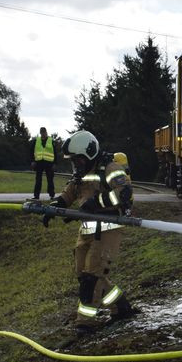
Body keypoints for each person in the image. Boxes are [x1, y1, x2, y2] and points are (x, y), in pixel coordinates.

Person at [43, 131, 135, 335]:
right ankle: (120, 306)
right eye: (74, 161)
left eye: (78, 159)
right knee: (82, 274)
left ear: (90, 152)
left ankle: (85, 322)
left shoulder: (111, 169)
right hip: (86, 229)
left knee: (91, 278)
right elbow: (71, 192)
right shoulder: (81, 173)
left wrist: (97, 203)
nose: (76, 164)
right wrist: (56, 206)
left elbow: (125, 193)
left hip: (107, 229)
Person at [31, 127, 57, 200]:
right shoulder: (36, 141)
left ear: (46, 132)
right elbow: (31, 151)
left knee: (50, 180)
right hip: (39, 163)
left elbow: (55, 153)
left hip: (49, 163)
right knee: (38, 180)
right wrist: (32, 161)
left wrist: (55, 163)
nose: (43, 134)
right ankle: (36, 196)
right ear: (40, 133)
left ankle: (52, 195)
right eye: (42, 133)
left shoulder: (51, 141)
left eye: (44, 132)